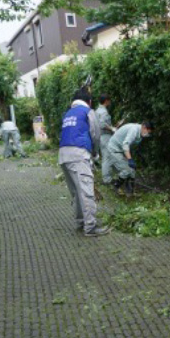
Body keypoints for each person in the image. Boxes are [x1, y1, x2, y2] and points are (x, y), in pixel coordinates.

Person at [59, 89, 110, 237]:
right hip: (78, 154)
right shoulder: (88, 111)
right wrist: (95, 153)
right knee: (87, 191)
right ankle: (91, 227)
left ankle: (81, 221)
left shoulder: (68, 113)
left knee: (76, 191)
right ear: (89, 101)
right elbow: (95, 134)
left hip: (63, 154)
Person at [104, 121, 152, 195]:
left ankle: (130, 191)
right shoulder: (134, 130)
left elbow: (132, 146)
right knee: (127, 170)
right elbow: (125, 144)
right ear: (144, 127)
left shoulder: (140, 133)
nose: (147, 134)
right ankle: (116, 186)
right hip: (114, 149)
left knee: (132, 171)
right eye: (148, 132)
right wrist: (129, 159)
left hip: (122, 150)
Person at [95, 94, 116, 185]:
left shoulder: (97, 110)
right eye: (109, 100)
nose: (110, 102)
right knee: (107, 157)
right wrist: (112, 128)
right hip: (105, 136)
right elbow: (102, 124)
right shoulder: (103, 112)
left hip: (99, 136)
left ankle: (107, 177)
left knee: (106, 156)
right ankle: (107, 179)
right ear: (106, 101)